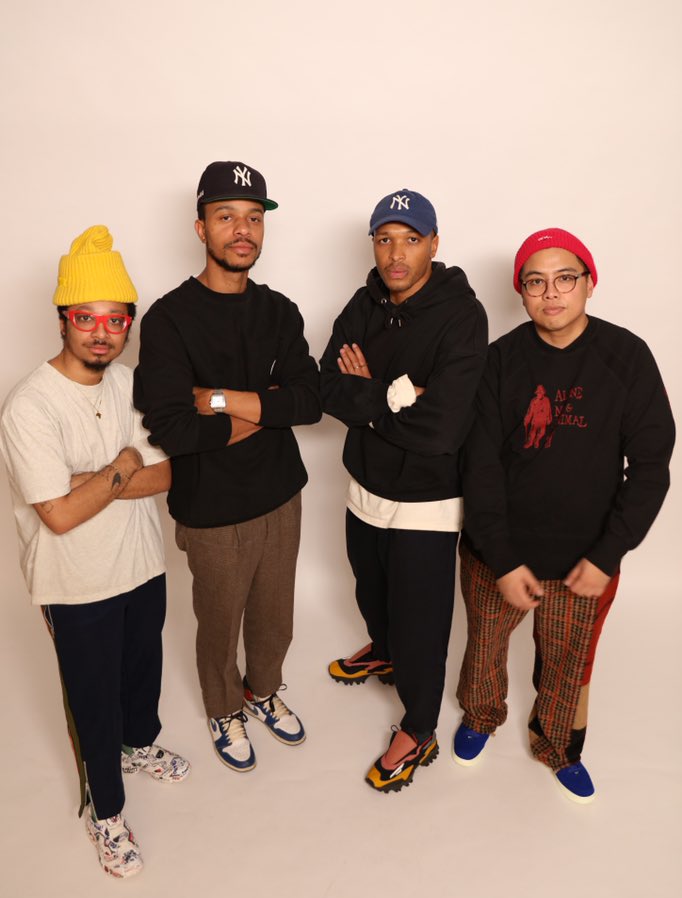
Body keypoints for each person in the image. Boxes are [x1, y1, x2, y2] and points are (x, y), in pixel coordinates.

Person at [453, 227, 675, 802]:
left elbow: (651, 466)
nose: (551, 293)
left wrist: (608, 554)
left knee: (566, 664)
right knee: (484, 648)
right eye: (536, 282)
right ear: (521, 292)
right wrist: (501, 559)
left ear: (589, 283)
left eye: (565, 278)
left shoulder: (626, 357)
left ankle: (556, 745)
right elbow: (478, 468)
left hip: (582, 560)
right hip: (497, 553)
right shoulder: (498, 361)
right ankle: (481, 715)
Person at [0, 226, 190, 879]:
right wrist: (123, 465)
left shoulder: (132, 384)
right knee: (93, 699)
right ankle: (105, 810)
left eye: (116, 320)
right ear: (63, 320)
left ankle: (141, 746)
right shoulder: (29, 406)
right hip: (75, 583)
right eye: (86, 318)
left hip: (141, 564)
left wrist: (92, 480)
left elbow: (169, 475)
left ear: (129, 324)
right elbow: (56, 516)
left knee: (141, 673)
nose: (102, 333)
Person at [134, 160, 321, 773]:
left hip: (281, 493)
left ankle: (263, 691)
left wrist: (217, 399)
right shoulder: (168, 319)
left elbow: (309, 402)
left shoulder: (280, 311)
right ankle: (223, 706)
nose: (242, 230)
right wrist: (267, 407)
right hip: (211, 508)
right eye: (226, 217)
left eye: (253, 217)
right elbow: (172, 429)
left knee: (276, 619)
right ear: (201, 228)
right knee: (219, 624)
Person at [321, 189, 488, 793]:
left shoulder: (462, 316)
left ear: (434, 244)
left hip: (427, 498)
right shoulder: (363, 301)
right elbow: (326, 385)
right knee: (371, 587)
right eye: (385, 239)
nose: (396, 254)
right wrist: (398, 395)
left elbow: (443, 429)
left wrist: (368, 394)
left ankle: (419, 728)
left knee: (421, 621)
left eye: (411, 240)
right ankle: (384, 651)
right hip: (365, 483)